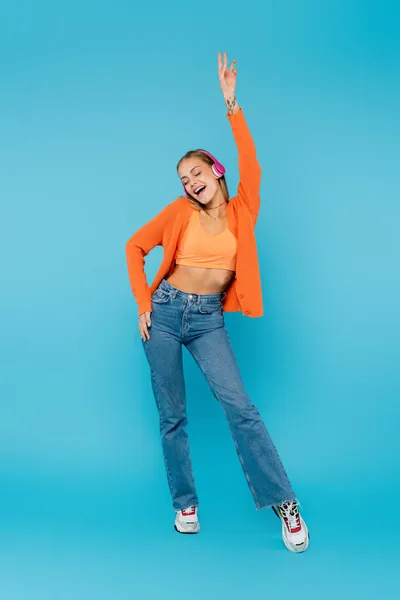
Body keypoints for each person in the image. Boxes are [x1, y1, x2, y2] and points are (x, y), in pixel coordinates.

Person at [125, 52, 309, 553]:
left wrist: (232, 104)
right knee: (172, 416)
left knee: (240, 409)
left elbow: (251, 161)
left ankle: (284, 503)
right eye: (182, 179)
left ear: (214, 169)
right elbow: (134, 247)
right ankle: (185, 502)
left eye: (195, 172)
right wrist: (144, 301)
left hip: (207, 320)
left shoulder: (242, 208)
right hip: (163, 315)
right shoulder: (177, 213)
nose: (189, 182)